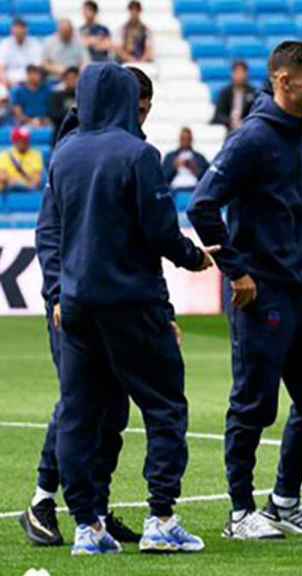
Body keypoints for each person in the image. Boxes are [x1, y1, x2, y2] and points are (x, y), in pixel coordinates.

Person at [44, 62, 213, 556]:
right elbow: (159, 233)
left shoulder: (63, 155)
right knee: (163, 407)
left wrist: (57, 293)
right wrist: (195, 257)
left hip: (75, 306)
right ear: (124, 99)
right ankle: (161, 519)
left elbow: (55, 230)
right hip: (131, 304)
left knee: (79, 414)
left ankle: (87, 527)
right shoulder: (139, 154)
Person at [188, 41, 302, 541]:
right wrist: (236, 270)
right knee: (254, 403)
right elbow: (202, 205)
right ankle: (239, 513)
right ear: (283, 81)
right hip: (263, 292)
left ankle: (285, 501)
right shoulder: (251, 139)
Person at [20, 66, 160, 549]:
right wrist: (58, 293)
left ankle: (95, 511)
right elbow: (49, 232)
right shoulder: (73, 152)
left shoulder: (124, 150)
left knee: (113, 405)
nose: (140, 115)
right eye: (136, 106)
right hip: (74, 299)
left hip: (111, 298)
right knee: (79, 401)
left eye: (146, 108)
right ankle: (41, 501)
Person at [212, 60, 257, 134]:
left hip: (246, 128)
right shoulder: (225, 92)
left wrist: (244, 123)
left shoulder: (253, 92)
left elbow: (256, 113)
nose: (239, 75)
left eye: (242, 72)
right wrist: (231, 122)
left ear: (246, 74)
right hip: (228, 127)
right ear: (232, 74)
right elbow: (218, 114)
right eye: (237, 72)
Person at [0, 19, 43, 87]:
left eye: (22, 28)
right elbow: (1, 67)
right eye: (17, 28)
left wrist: (31, 82)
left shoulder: (35, 43)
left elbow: (37, 66)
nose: (19, 31)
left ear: (26, 30)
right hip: (9, 80)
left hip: (30, 80)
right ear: (12, 30)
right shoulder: (5, 44)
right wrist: (5, 82)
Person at [0, 126, 43, 191]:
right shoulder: (4, 155)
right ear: (15, 141)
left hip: (28, 191)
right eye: (21, 140)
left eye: (26, 140)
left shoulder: (36, 155)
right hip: (8, 191)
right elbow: (3, 177)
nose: (25, 143)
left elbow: (37, 180)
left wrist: (19, 183)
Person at [48, 66, 79, 141]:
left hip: (78, 135)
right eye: (69, 78)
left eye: (74, 78)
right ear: (64, 79)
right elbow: (54, 115)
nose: (72, 81)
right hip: (61, 134)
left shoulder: (83, 96)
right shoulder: (56, 95)